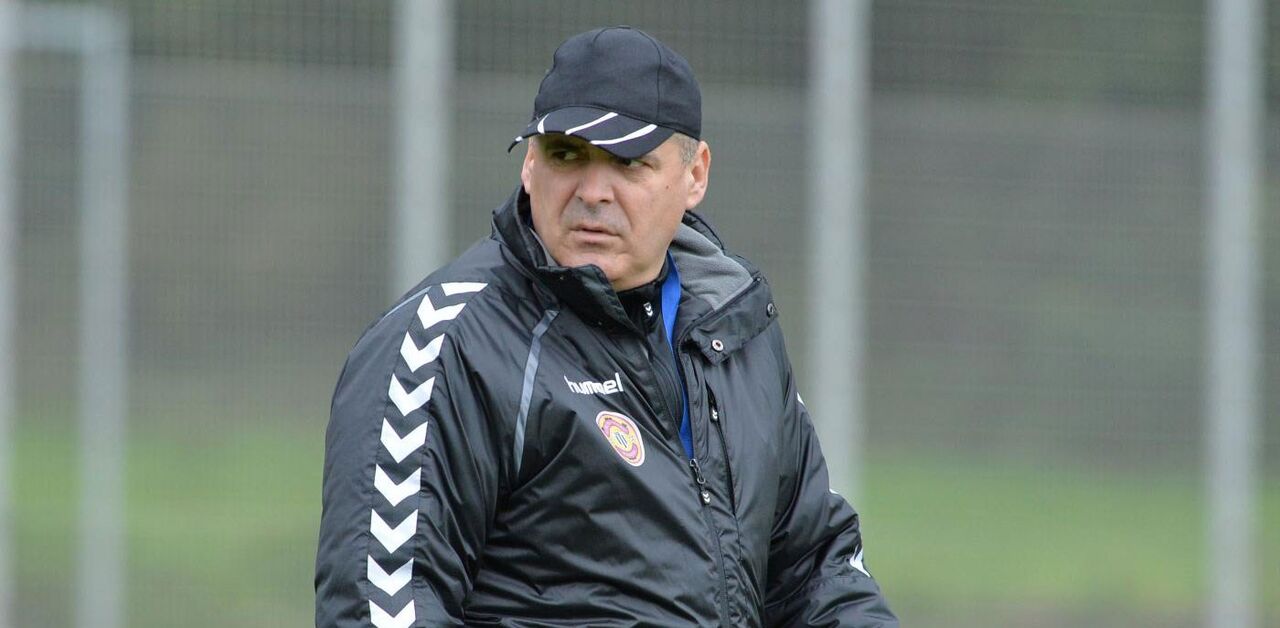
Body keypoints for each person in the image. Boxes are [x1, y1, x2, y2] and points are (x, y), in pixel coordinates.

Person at [315, 26, 896, 627]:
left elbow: (816, 571)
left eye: (627, 162)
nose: (593, 192)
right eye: (567, 155)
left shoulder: (737, 331)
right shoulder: (447, 344)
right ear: (530, 166)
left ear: (695, 174)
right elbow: (383, 607)